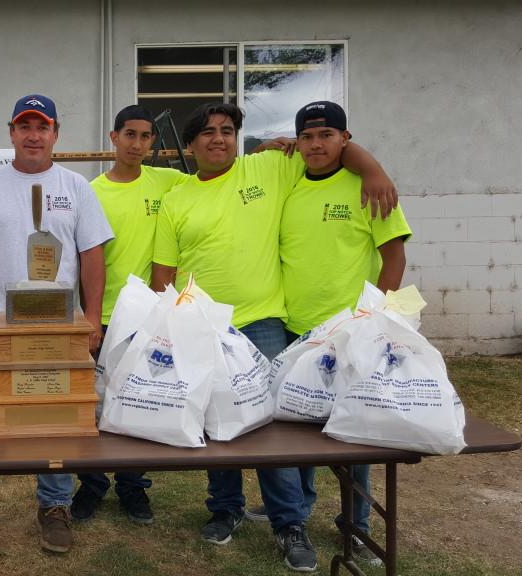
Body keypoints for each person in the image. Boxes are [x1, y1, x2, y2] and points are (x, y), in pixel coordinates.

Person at [151, 102, 397, 573]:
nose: (217, 139)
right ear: (191, 145)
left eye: (227, 130)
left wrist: (373, 168)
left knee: (270, 430)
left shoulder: (269, 166)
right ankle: (225, 509)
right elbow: (164, 269)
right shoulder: (177, 197)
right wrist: (167, 323)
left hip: (263, 320)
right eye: (206, 133)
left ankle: (290, 523)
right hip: (199, 322)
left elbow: (331, 147)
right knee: (212, 420)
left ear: (237, 138)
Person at [0, 94, 113, 558]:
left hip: (61, 324)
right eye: (24, 126)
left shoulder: (78, 186)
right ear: (11, 133)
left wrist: (93, 318)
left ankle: (55, 505)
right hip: (0, 324)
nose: (33, 135)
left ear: (56, 133)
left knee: (56, 413)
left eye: (42, 126)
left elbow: (92, 255)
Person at [274, 100, 410, 567]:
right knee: (301, 428)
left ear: (345, 139)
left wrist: (373, 318)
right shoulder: (289, 184)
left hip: (352, 332)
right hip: (296, 328)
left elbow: (394, 258)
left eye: (326, 135)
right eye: (307, 136)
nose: (316, 144)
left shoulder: (368, 188)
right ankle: (301, 511)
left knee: (355, 435)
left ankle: (357, 527)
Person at [71, 104, 187, 526]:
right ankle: (91, 485)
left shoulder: (170, 182)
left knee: (139, 401)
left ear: (152, 142)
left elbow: (220, 175)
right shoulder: (92, 192)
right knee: (95, 405)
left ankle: (133, 486)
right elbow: (87, 260)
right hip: (101, 315)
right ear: (113, 137)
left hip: (150, 317)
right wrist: (89, 316)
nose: (136, 144)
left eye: (144, 136)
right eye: (129, 135)